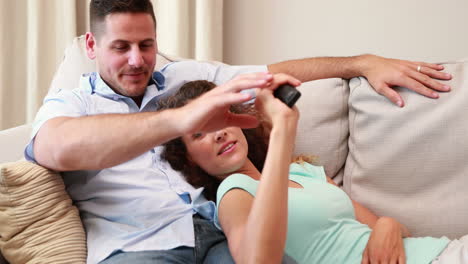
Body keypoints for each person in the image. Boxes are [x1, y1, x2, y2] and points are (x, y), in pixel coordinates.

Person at [24, 0, 453, 263]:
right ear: (92, 45)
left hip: (214, 234)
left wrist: (359, 62)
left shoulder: (186, 76)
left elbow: (271, 75)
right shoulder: (72, 102)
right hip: (136, 248)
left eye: (146, 45)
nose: (137, 60)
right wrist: (181, 120)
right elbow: (55, 147)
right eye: (121, 47)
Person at [160, 79, 468, 264]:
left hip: (439, 251)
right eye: (199, 134)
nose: (218, 134)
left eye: (220, 121)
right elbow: (254, 260)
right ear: (189, 160)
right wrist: (284, 130)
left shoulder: (304, 170)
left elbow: (389, 228)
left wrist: (388, 224)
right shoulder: (234, 192)